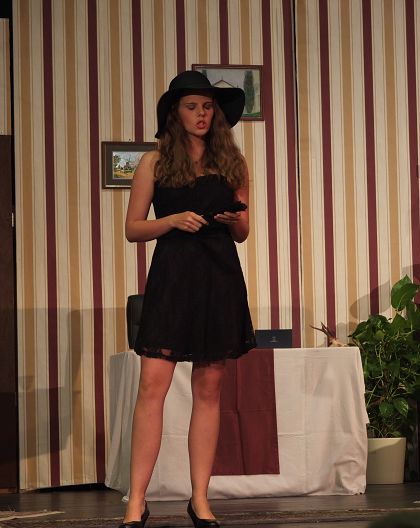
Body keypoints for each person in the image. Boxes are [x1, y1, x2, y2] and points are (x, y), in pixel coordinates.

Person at [120, 70, 256, 528]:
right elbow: (133, 228)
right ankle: (136, 501)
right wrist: (173, 220)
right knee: (152, 387)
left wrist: (233, 219)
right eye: (192, 106)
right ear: (174, 113)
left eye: (208, 107)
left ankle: (199, 499)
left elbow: (243, 232)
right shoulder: (155, 161)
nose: (202, 114)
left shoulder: (232, 162)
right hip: (173, 278)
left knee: (210, 390)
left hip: (219, 277)